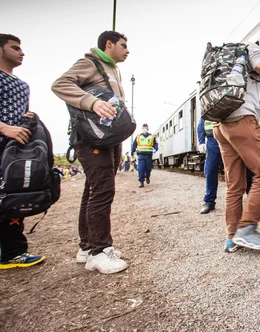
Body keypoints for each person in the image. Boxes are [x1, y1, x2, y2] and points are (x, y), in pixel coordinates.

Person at [52, 30, 129, 274]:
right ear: (109, 44)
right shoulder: (90, 63)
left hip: (107, 136)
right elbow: (60, 84)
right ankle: (99, 251)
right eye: (123, 45)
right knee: (103, 189)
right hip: (92, 138)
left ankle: (87, 247)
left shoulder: (113, 70)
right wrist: (92, 102)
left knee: (93, 189)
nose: (128, 50)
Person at [212, 42, 260, 252]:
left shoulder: (220, 59)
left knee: (234, 185)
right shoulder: (251, 47)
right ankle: (247, 229)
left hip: (221, 125)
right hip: (242, 120)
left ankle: (231, 238)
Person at [0, 34, 45, 270]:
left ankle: (13, 252)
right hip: (4, 141)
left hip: (13, 151)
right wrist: (4, 127)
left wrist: (30, 119)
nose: (21, 52)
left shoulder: (22, 84)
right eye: (15, 48)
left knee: (13, 199)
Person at [197, 118, 254, 215]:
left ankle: (251, 196)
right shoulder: (208, 106)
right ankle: (209, 202)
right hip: (213, 140)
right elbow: (202, 122)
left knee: (245, 165)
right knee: (210, 170)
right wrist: (201, 141)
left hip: (231, 136)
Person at [131, 123, 157, 188]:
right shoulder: (138, 136)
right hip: (141, 155)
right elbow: (134, 145)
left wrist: (155, 149)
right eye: (143, 127)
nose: (144, 129)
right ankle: (141, 181)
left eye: (146, 127)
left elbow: (155, 144)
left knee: (148, 168)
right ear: (141, 128)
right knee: (141, 169)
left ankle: (147, 176)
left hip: (148, 155)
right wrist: (132, 152)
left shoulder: (152, 137)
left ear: (148, 128)